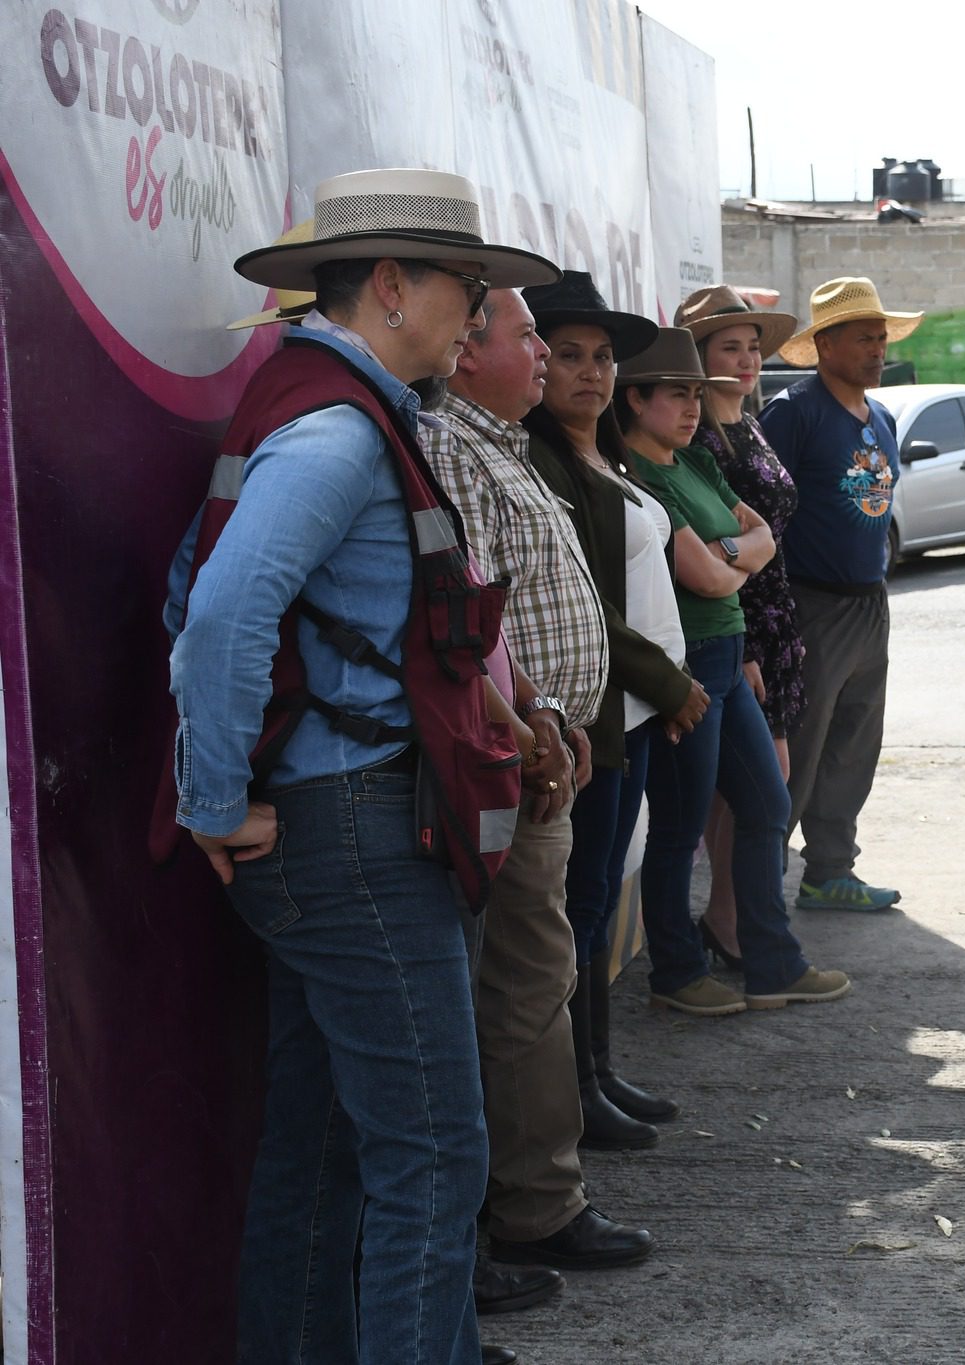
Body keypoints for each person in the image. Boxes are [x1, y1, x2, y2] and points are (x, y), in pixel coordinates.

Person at [164, 168, 557, 1365]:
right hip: (352, 832)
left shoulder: (337, 411)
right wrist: (213, 804)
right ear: (391, 286)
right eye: (468, 287)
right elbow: (222, 618)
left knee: (328, 1148)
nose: (480, 312)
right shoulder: (339, 432)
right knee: (435, 1158)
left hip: (336, 826)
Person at [421, 285, 665, 1294]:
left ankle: (534, 1198)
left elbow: (504, 619)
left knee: (540, 982)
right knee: (521, 991)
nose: (547, 357)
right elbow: (464, 620)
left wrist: (549, 717)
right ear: (469, 349)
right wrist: (525, 727)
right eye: (533, 339)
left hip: (542, 748)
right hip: (506, 764)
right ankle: (529, 1209)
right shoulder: (449, 448)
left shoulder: (499, 447)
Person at [517, 273, 709, 1156]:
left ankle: (595, 1069)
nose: (590, 373)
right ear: (534, 361)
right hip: (591, 712)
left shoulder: (609, 458)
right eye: (568, 355)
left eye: (602, 357)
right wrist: (670, 684)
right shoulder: (541, 457)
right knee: (578, 906)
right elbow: (590, 604)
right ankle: (574, 1090)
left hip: (624, 713)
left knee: (591, 901)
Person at [616, 329, 850, 1011]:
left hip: (728, 654)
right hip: (685, 666)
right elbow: (714, 579)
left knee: (768, 802)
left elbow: (763, 538)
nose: (692, 408)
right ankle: (678, 974)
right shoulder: (643, 477)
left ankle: (772, 960)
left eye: (696, 394)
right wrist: (737, 554)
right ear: (636, 399)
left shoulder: (693, 462)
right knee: (680, 829)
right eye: (676, 394)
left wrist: (733, 557)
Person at [760, 277, 923, 913]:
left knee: (854, 745)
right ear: (825, 345)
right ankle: (759, 885)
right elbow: (764, 511)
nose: (878, 349)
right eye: (864, 338)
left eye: (882, 338)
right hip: (811, 606)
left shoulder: (881, 418)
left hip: (869, 603)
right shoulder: (793, 413)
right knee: (798, 748)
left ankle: (830, 871)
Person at [676, 285, 804, 967]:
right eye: (731, 347)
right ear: (698, 355)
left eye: (754, 347)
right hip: (738, 624)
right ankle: (728, 922)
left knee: (753, 790)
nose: (749, 358)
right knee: (757, 785)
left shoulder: (747, 421)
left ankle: (727, 919)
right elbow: (711, 542)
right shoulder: (698, 435)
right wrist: (749, 645)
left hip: (775, 618)